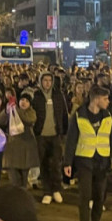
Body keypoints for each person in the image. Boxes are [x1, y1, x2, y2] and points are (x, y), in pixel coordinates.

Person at [64, 85, 112, 221]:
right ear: (96, 100)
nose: (108, 101)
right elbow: (71, 141)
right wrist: (67, 163)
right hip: (84, 161)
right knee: (84, 196)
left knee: (100, 197)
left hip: (102, 162)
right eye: (105, 99)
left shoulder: (108, 116)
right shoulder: (79, 115)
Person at [32, 71, 68, 205]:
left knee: (56, 163)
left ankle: (56, 189)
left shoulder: (58, 95)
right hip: (41, 135)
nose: (47, 83)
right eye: (45, 80)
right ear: (41, 81)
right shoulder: (36, 96)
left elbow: (64, 113)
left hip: (55, 134)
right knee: (44, 164)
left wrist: (63, 131)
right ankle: (47, 191)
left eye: (49, 80)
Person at [0, 91, 38, 188]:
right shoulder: (11, 110)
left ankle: (22, 199)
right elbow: (0, 120)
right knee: (14, 179)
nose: (24, 102)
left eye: (27, 101)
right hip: (12, 148)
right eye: (22, 100)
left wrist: (15, 109)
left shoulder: (31, 112)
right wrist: (6, 111)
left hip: (26, 149)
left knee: (24, 180)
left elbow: (29, 120)